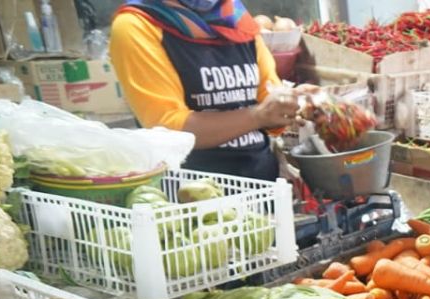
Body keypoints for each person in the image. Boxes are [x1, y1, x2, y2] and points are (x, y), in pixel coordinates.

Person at [110, 0, 297, 181]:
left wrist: (295, 103)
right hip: (191, 196)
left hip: (264, 187)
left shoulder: (235, 18)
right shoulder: (136, 25)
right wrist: (258, 116)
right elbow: (168, 128)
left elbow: (269, 102)